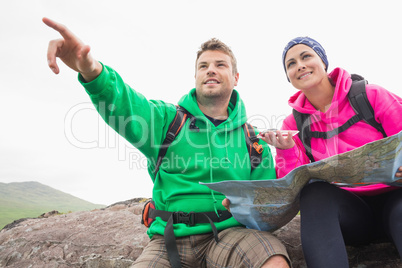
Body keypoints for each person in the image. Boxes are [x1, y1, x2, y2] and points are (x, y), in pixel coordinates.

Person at [42, 17, 291, 268]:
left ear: (236, 77)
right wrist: (92, 70)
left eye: (220, 64)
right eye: (203, 66)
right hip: (169, 238)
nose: (210, 69)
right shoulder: (168, 120)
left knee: (274, 261)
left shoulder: (254, 140)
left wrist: (247, 205)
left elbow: (266, 205)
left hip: (232, 235)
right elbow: (126, 104)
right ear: (195, 76)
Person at [259, 36, 402, 268]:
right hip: (352, 214)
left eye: (306, 56)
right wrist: (285, 151)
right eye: (291, 64)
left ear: (323, 62)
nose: (300, 65)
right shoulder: (292, 125)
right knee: (314, 194)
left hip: (396, 200)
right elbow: (294, 184)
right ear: (289, 77)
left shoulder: (371, 96)